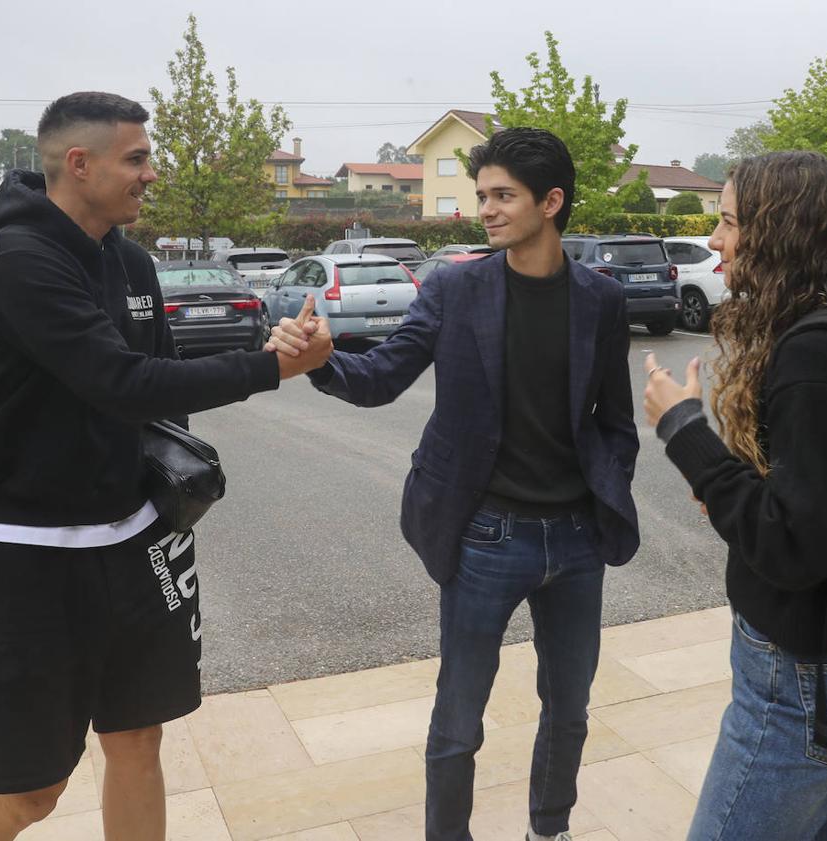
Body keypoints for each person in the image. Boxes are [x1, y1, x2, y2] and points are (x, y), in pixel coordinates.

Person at [0, 91, 331, 841]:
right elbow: (118, 382)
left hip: (134, 544)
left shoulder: (128, 261)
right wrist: (268, 368)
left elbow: (156, 388)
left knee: (138, 740)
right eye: (137, 158)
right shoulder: (19, 261)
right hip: (25, 555)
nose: (151, 174)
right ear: (79, 163)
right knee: (33, 787)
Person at [269, 127, 639, 841]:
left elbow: (615, 422)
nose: (486, 210)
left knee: (569, 708)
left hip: (575, 540)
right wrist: (322, 361)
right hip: (486, 533)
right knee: (459, 718)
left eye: (503, 195)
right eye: (482, 195)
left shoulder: (601, 299)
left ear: (552, 201)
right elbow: (382, 375)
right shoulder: (456, 286)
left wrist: (606, 495)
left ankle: (549, 828)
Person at [642, 150, 827, 841]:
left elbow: (794, 544)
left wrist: (682, 430)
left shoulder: (810, 357)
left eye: (728, 221)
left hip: (807, 680)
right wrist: (742, 489)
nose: (714, 240)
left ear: (777, 232)